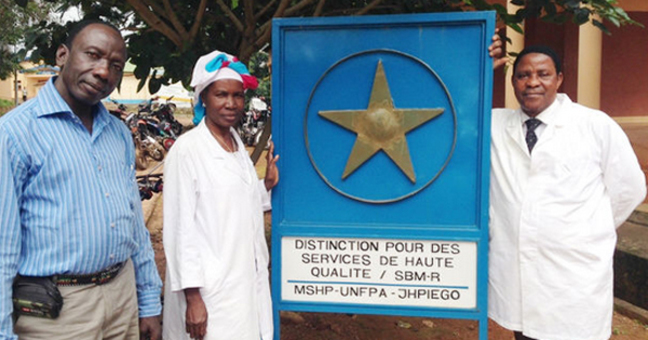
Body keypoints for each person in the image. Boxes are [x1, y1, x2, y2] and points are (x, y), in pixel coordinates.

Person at [0, 20, 163, 340]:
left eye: (115, 66)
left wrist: (147, 301)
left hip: (122, 297)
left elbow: (134, 225)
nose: (103, 71)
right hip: (58, 312)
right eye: (92, 55)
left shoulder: (118, 133)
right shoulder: (16, 133)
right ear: (62, 55)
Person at [488, 45, 646, 340]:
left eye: (543, 74)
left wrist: (587, 230)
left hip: (574, 277)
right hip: (518, 275)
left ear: (559, 79)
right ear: (513, 82)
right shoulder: (496, 125)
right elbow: (451, 110)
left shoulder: (594, 125)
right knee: (525, 334)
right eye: (522, 75)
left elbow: (630, 188)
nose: (532, 82)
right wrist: (481, 67)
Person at [162, 50, 279, 340]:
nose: (231, 103)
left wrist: (265, 186)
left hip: (242, 286)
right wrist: (193, 298)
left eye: (238, 95)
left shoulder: (236, 144)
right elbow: (180, 230)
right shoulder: (187, 150)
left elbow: (235, 204)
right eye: (221, 94)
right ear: (204, 98)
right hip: (208, 291)